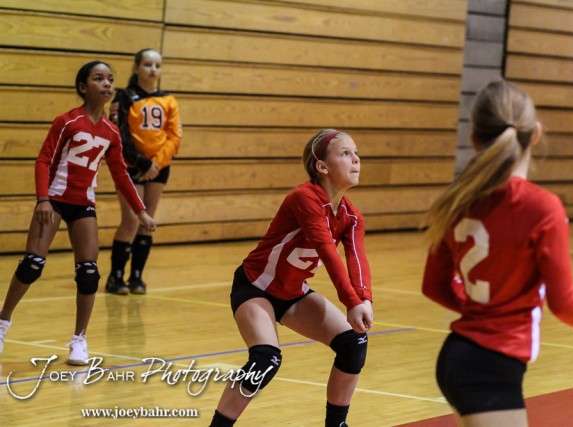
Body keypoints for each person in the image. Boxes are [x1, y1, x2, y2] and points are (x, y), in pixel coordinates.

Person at [421, 79, 573, 427]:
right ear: (536, 134)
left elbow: (434, 285)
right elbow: (564, 302)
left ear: (474, 139)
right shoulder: (541, 207)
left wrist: (482, 309)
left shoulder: (459, 199)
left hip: (460, 356)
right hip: (489, 368)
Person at [208, 129, 374, 427]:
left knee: (354, 344)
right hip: (255, 287)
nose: (356, 159)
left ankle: (336, 425)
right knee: (265, 359)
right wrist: (351, 301)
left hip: (293, 293)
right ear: (322, 166)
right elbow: (327, 251)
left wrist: (364, 299)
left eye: (356, 153)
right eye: (345, 153)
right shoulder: (304, 197)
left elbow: (356, 260)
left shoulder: (351, 216)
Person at [0, 61, 156, 365]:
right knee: (32, 265)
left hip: (83, 203)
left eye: (110, 79)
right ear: (83, 87)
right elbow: (44, 159)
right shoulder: (67, 121)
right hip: (54, 199)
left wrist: (141, 212)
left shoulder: (112, 132)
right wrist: (43, 199)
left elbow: (121, 174)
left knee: (88, 273)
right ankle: (3, 320)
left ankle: (79, 340)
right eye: (99, 79)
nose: (107, 84)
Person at [104, 48, 181, 295]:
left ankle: (136, 277)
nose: (153, 70)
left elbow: (174, 137)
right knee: (131, 220)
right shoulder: (124, 97)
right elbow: (120, 133)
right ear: (136, 67)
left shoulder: (168, 100)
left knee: (147, 222)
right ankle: (116, 276)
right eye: (147, 64)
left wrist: (155, 163)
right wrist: (141, 162)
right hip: (131, 166)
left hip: (159, 168)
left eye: (157, 65)